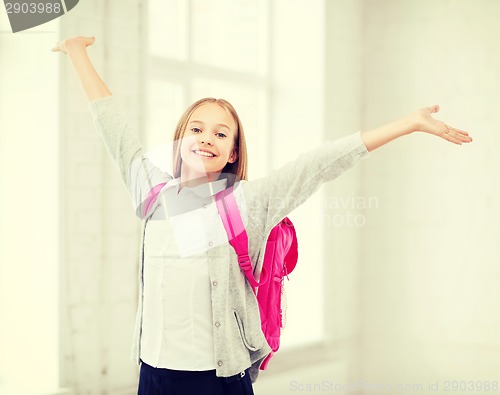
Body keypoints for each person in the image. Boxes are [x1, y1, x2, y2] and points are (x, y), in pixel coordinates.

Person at [51, 35, 473, 395]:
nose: (206, 139)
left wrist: (407, 123)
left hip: (217, 378)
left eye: (221, 133)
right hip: (153, 373)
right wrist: (77, 52)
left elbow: (318, 163)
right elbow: (113, 126)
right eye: (196, 129)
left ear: (233, 151)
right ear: (180, 139)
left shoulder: (246, 203)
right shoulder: (152, 192)